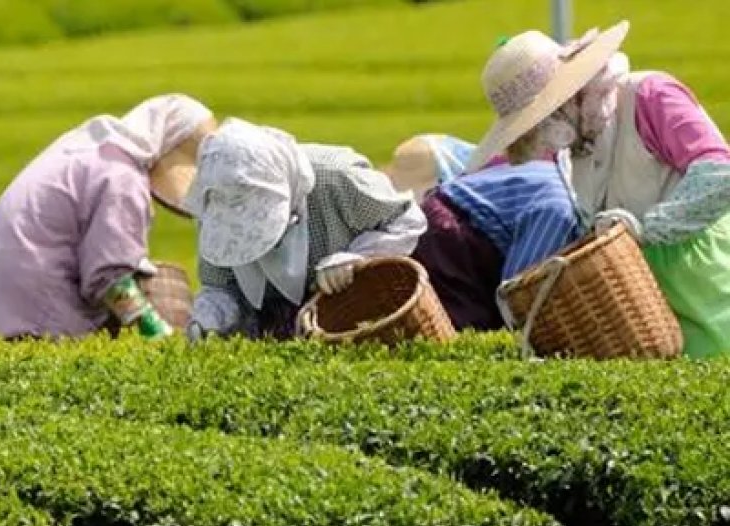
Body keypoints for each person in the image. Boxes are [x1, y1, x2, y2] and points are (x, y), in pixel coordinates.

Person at [468, 21, 730, 357]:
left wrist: (649, 229)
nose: (544, 134)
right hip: (645, 302)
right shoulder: (573, 148)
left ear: (571, 96)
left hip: (706, 281)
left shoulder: (649, 95)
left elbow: (719, 173)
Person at [0, 94, 217, 340]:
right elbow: (110, 278)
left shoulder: (93, 146)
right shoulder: (122, 178)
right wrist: (154, 329)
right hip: (35, 300)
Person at [184, 118, 426, 340]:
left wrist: (358, 258)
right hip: (276, 326)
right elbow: (221, 284)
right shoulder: (213, 211)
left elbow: (405, 218)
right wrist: (210, 315)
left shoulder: (336, 180)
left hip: (360, 313)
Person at [386, 134, 581, 331]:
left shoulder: (551, 165)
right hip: (451, 241)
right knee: (457, 332)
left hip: (455, 227)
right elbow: (517, 293)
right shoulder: (559, 210)